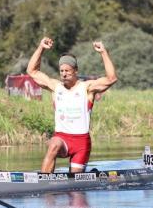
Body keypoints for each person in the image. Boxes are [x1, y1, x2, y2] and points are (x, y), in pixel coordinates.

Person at [27, 37, 117, 173]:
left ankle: (90, 175)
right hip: (62, 138)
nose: (64, 74)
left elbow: (111, 78)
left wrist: (103, 52)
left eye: (67, 71)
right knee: (53, 145)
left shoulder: (87, 88)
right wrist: (41, 48)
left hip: (82, 143)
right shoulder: (55, 86)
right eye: (61, 71)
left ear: (75, 71)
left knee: (75, 191)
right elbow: (32, 71)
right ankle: (44, 182)